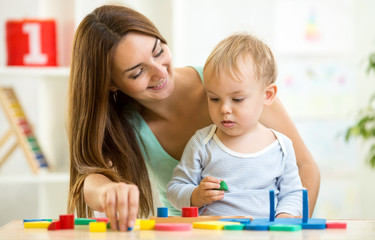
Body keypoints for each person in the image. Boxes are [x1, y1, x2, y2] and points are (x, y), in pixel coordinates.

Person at [67, 4, 320, 231]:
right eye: (137, 72)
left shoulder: (235, 85)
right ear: (111, 83)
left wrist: (287, 228)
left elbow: (305, 167)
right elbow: (90, 176)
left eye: (158, 51)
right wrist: (106, 191)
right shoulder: (124, 122)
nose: (159, 73)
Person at [167, 33, 303, 218]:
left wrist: (283, 219)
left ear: (268, 95)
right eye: (214, 98)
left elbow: (293, 194)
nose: (224, 109)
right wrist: (195, 195)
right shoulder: (202, 142)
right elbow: (175, 189)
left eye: (237, 99)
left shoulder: (281, 146)